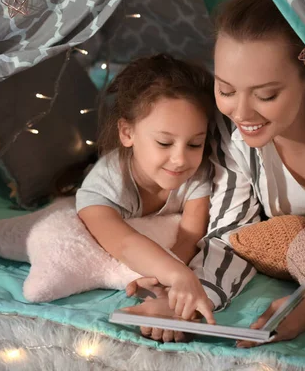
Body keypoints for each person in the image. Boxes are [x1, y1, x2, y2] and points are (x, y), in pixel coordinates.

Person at [128, 0, 305, 345]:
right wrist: (186, 300)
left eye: (265, 95)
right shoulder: (239, 143)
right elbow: (232, 235)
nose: (242, 113)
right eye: (226, 90)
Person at [76, 54, 218, 324]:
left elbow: (189, 237)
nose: (180, 159)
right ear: (127, 133)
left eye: (194, 144)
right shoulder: (103, 186)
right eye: (164, 143)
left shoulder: (198, 173)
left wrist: (168, 288)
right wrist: (179, 276)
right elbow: (125, 243)